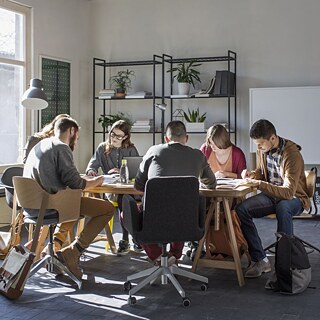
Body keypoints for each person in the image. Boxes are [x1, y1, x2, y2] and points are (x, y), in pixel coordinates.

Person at [24, 117, 114, 280]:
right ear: (71, 131)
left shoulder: (41, 144)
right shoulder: (61, 147)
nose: (77, 142)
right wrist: (99, 180)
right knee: (107, 209)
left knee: (74, 201)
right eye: (77, 138)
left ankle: (56, 247)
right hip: (51, 206)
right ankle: (73, 252)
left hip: (32, 206)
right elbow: (77, 183)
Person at [132, 120, 217, 265]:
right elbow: (212, 183)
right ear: (187, 138)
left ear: (166, 139)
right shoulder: (198, 155)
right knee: (179, 206)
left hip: (153, 220)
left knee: (127, 213)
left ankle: (158, 256)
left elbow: (139, 186)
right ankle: (174, 255)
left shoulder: (153, 151)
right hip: (187, 221)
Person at [236, 119, 310, 278]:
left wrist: (259, 184)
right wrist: (253, 174)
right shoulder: (263, 149)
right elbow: (263, 173)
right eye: (256, 144)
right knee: (241, 209)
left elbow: (288, 193)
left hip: (295, 197)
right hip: (272, 195)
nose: (258, 147)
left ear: (273, 138)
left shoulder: (292, 154)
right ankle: (261, 260)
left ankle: (285, 264)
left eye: (261, 143)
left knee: (283, 207)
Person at [85, 120, 141, 255]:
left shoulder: (131, 149)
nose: (114, 138)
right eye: (112, 134)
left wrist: (123, 171)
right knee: (123, 199)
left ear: (126, 137)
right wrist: (91, 171)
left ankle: (128, 238)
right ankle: (127, 239)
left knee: (126, 198)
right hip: (112, 190)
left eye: (118, 136)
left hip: (130, 189)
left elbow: (138, 172)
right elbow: (91, 166)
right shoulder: (102, 148)